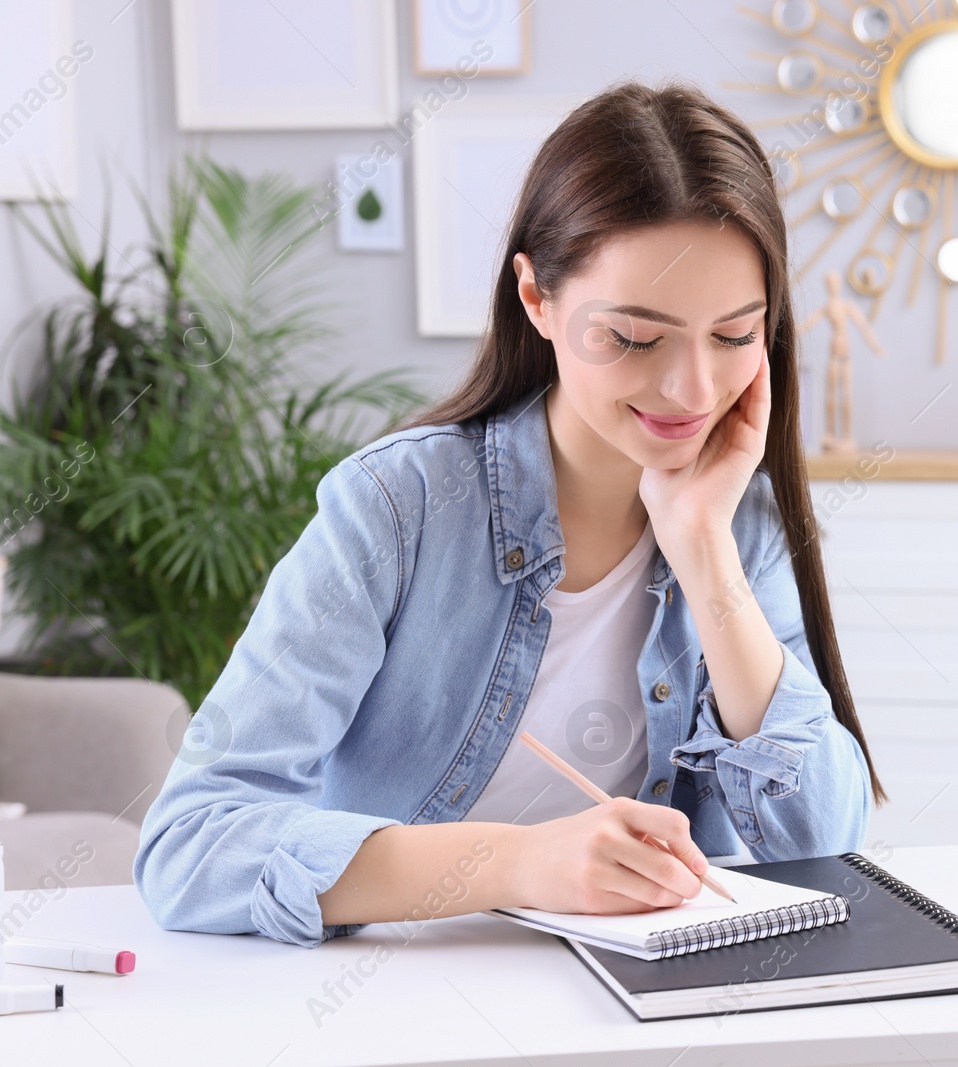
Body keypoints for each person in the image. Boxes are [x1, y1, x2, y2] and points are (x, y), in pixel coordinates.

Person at [133, 81, 884, 949]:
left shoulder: (735, 517)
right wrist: (518, 862)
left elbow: (827, 842)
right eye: (636, 337)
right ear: (537, 298)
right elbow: (190, 843)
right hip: (403, 997)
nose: (693, 390)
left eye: (733, 335)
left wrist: (705, 551)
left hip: (643, 1008)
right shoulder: (396, 507)